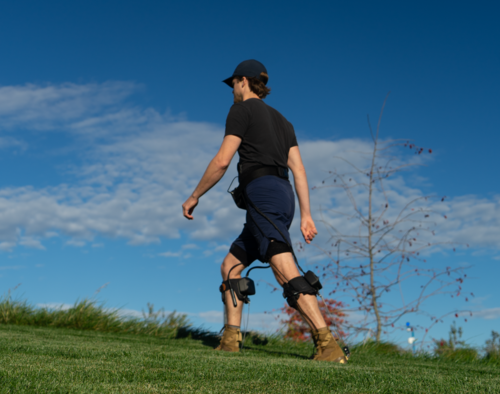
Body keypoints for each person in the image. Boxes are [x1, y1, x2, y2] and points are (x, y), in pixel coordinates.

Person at [182, 60, 347, 363]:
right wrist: (307, 215)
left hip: (263, 193)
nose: (232, 89)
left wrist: (194, 196)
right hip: (282, 195)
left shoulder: (241, 110)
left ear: (243, 81)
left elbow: (222, 161)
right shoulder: (284, 122)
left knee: (281, 263)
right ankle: (231, 340)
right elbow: (299, 170)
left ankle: (328, 344)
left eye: (233, 83)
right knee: (231, 265)